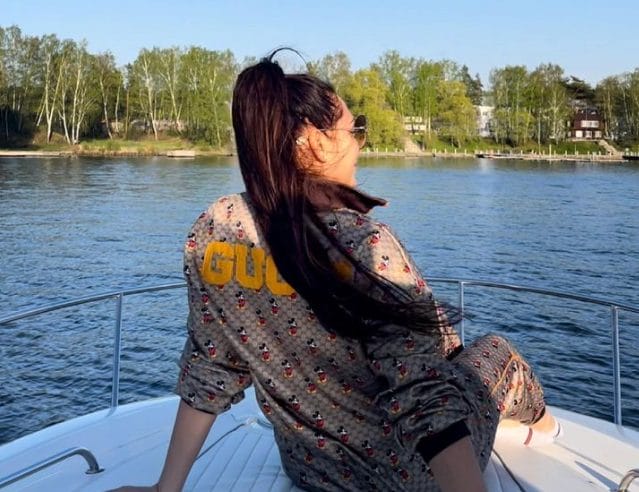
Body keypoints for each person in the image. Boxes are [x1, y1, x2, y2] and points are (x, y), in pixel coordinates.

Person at [113, 50, 560, 492]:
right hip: (412, 479)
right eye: (355, 129)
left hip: (313, 470)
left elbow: (211, 365)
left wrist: (165, 489)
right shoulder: (366, 246)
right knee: (497, 353)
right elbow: (425, 399)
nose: (360, 143)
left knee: (445, 349)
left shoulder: (218, 229)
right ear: (314, 140)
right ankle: (546, 430)